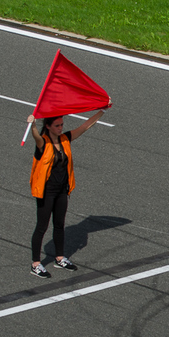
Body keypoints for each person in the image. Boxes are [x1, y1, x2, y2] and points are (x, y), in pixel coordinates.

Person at [28, 110, 107, 278]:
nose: (60, 128)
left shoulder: (65, 139)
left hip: (62, 190)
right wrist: (33, 125)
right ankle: (35, 264)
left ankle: (59, 258)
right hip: (46, 192)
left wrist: (102, 111)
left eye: (62, 125)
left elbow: (85, 127)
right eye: (57, 125)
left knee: (59, 224)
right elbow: (36, 137)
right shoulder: (43, 143)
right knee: (42, 227)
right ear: (48, 126)